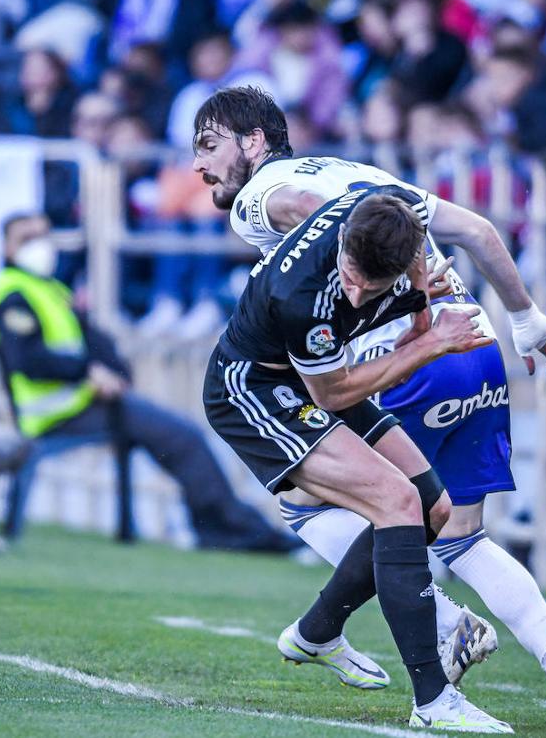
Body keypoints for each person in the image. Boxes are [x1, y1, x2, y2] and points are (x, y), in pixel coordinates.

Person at [191, 86, 546, 730]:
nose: (199, 165)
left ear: (253, 142)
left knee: (349, 507)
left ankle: (412, 632)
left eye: (208, 145)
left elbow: (313, 221)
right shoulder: (360, 181)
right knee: (441, 521)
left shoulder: (264, 197)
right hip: (473, 349)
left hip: (390, 358)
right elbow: (477, 230)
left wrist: (414, 311)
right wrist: (525, 318)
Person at [200, 177, 509, 732]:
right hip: (256, 391)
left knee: (432, 506)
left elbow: (418, 240)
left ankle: (315, 634)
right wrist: (432, 342)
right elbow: (336, 393)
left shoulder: (390, 209)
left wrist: (418, 309)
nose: (359, 296)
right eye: (351, 279)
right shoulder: (301, 296)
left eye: (374, 287)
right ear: (342, 246)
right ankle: (434, 704)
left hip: (305, 377)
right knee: (396, 501)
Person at [0, 212, 296, 554]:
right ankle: (231, 528)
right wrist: (88, 372)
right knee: (182, 437)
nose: (39, 246)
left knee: (178, 436)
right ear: (7, 249)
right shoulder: (12, 295)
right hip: (58, 414)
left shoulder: (49, 289)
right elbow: (28, 360)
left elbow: (96, 340)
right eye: (27, 239)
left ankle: (221, 524)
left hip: (86, 403)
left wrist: (116, 372)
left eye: (43, 236)